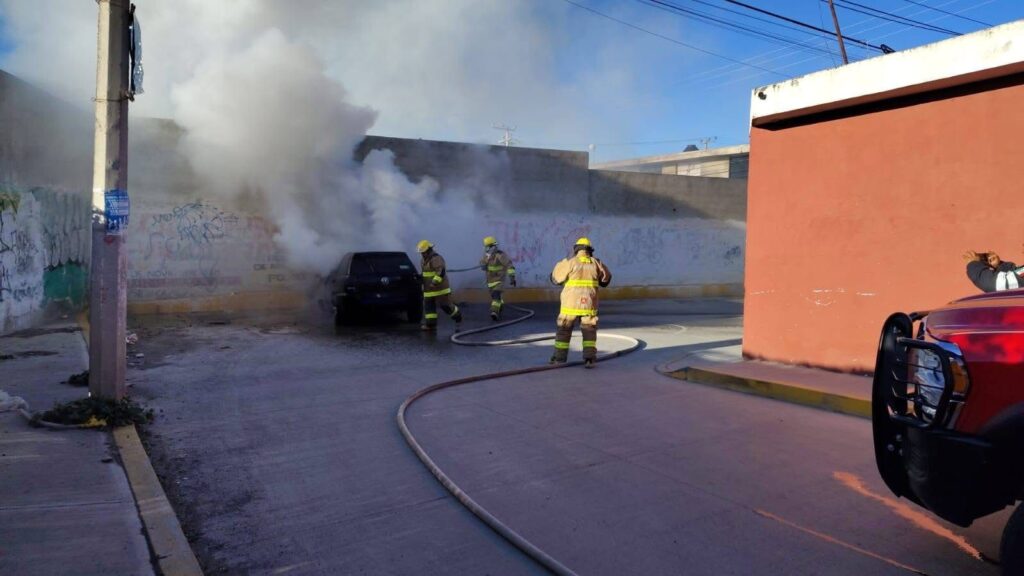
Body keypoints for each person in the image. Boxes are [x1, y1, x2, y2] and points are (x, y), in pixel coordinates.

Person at [549, 237, 611, 368]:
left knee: (564, 330)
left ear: (576, 249)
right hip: (589, 305)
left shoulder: (571, 263)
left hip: (569, 306)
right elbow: (606, 280)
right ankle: (589, 359)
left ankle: (559, 359)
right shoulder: (596, 263)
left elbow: (555, 278)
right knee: (589, 332)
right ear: (589, 250)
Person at [417, 240, 463, 331]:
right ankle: (430, 325)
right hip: (428, 290)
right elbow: (426, 273)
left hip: (440, 289)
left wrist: (434, 282)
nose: (422, 254)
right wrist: (420, 278)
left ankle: (457, 316)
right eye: (421, 252)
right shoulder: (423, 260)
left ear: (429, 250)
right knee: (429, 309)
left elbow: (440, 272)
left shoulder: (436, 258)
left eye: (423, 252)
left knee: (445, 306)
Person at [479, 236, 517, 321]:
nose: (486, 249)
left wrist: (512, 278)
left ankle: (494, 312)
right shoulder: (487, 256)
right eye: (486, 247)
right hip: (490, 282)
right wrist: (482, 265)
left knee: (496, 297)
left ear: (493, 246)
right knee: (496, 298)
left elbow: (510, 266)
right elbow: (482, 262)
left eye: (488, 247)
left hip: (499, 281)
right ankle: (500, 306)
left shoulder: (500, 255)